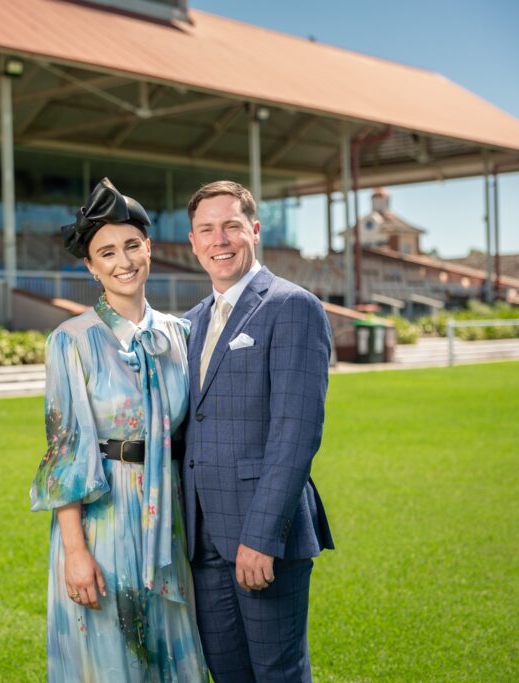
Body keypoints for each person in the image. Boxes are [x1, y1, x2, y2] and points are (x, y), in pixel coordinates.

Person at [30, 178, 208, 682]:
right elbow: (65, 452)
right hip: (102, 519)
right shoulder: (71, 341)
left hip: (168, 513)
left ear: (148, 248)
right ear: (91, 267)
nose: (123, 261)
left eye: (132, 245)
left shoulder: (180, 334)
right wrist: (75, 553)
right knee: (111, 660)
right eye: (106, 252)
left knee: (173, 657)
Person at [181, 180, 335, 682]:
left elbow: (296, 434)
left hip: (261, 534)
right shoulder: (191, 323)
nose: (219, 240)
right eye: (207, 230)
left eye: (231, 226)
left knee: (277, 674)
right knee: (225, 673)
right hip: (201, 538)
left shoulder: (292, 307)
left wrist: (262, 536)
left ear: (254, 230)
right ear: (192, 242)